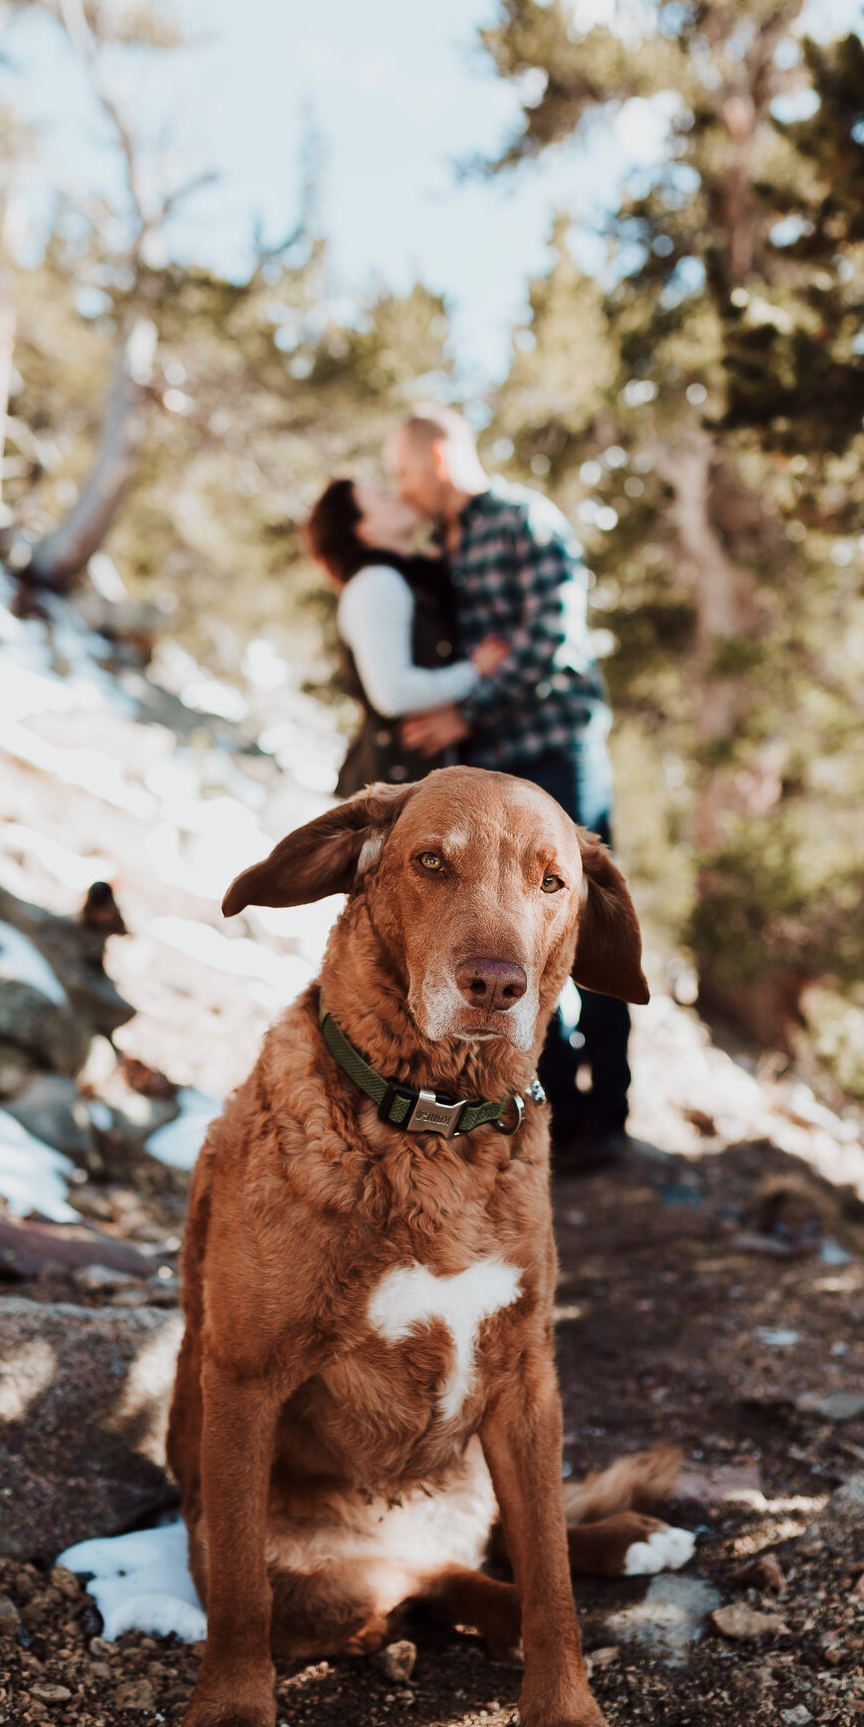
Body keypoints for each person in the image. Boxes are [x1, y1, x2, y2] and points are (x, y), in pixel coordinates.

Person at [387, 406, 631, 1174]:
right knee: (512, 938)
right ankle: (549, 1110)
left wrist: (467, 708)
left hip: (558, 754)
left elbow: (551, 635)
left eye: (403, 471)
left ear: (437, 455)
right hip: (500, 776)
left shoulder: (524, 519)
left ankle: (610, 1111)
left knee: (585, 929)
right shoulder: (444, 549)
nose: (403, 488)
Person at [303, 477, 507, 796]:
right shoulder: (378, 582)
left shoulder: (398, 578)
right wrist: (474, 672)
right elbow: (393, 694)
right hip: (390, 795)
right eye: (382, 497)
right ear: (365, 530)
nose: (398, 495)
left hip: (400, 788)